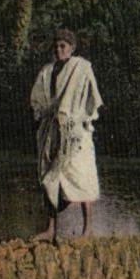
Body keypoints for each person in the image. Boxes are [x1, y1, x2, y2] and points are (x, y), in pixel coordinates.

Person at [30, 29, 102, 241]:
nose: (59, 50)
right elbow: (37, 99)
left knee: (81, 176)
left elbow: (93, 96)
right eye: (56, 46)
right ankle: (51, 229)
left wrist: (81, 118)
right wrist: (43, 115)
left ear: (72, 48)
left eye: (63, 46)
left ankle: (87, 229)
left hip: (75, 133)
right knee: (49, 177)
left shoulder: (81, 67)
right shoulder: (47, 71)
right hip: (52, 130)